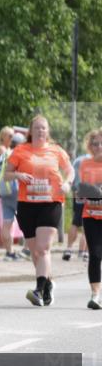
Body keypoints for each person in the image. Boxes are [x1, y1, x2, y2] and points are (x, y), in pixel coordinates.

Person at [4, 115, 74, 306]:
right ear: (30, 131)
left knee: (43, 249)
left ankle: (38, 289)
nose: (41, 131)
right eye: (37, 128)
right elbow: (6, 175)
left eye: (44, 128)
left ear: (48, 131)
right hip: (27, 204)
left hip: (51, 203)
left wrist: (67, 183)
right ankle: (49, 283)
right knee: (35, 253)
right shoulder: (20, 150)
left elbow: (70, 170)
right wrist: (18, 174)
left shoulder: (56, 150)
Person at [75, 129, 102, 310]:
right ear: (89, 146)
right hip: (91, 215)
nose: (98, 146)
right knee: (95, 255)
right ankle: (95, 295)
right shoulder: (84, 164)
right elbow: (79, 192)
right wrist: (84, 193)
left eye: (101, 143)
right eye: (95, 143)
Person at [0, 126, 22, 260]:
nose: (11, 138)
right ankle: (26, 250)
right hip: (13, 189)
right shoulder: (6, 150)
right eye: (10, 136)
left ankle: (9, 252)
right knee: (25, 219)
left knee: (7, 222)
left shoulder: (4, 151)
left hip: (3, 190)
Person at [65, 150, 90, 261]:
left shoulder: (78, 160)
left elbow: (72, 176)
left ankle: (69, 249)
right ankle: (83, 252)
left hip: (79, 193)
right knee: (89, 223)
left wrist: (75, 191)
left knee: (75, 222)